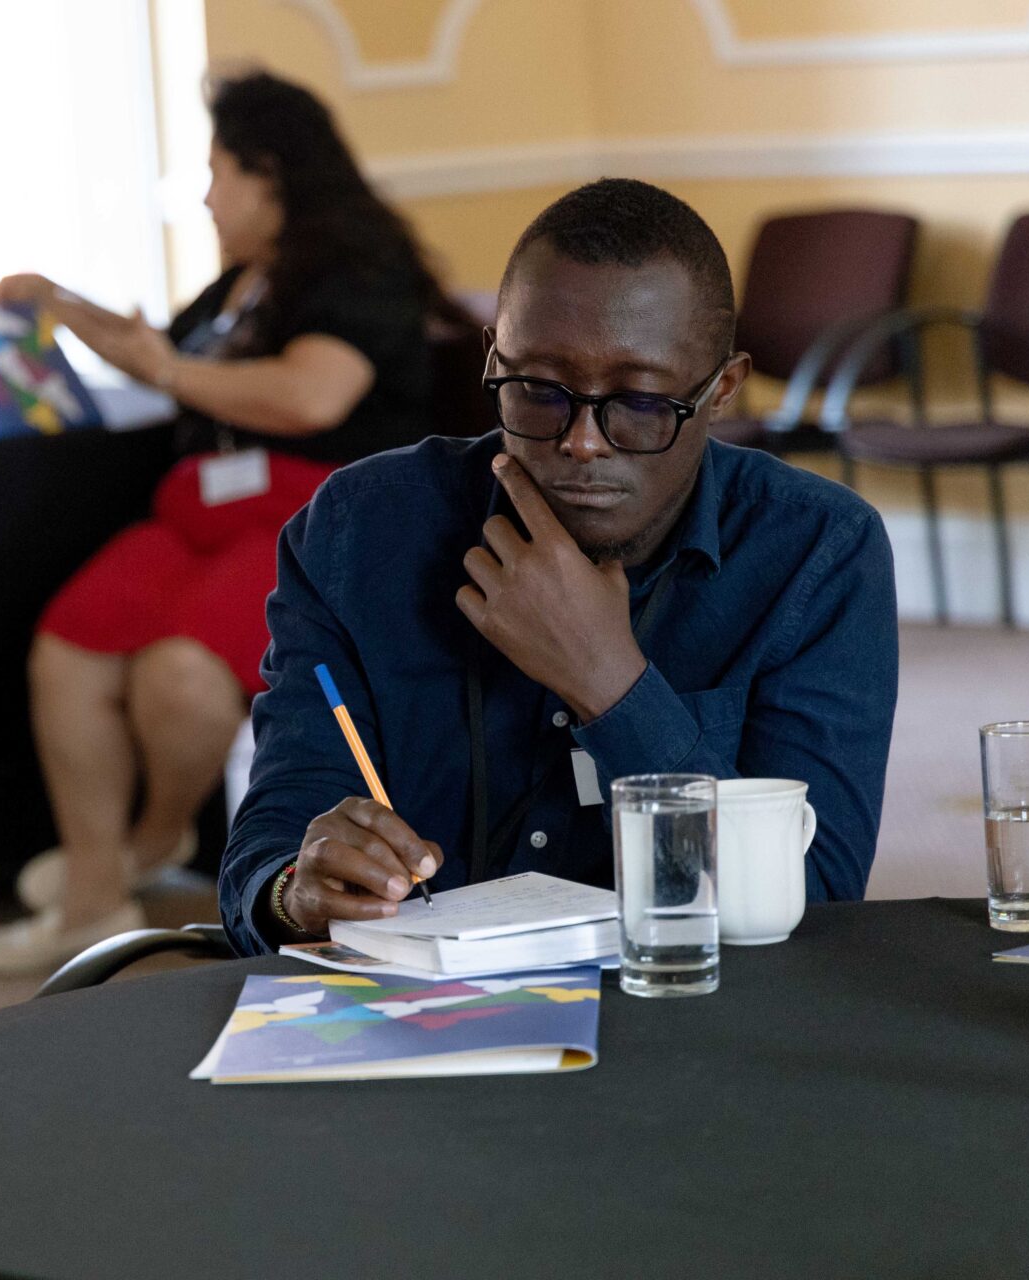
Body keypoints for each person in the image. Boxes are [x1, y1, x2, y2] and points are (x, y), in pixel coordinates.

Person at [218, 178, 900, 954]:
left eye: (640, 403)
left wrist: (610, 683)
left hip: (687, 1026)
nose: (581, 441)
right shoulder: (358, 531)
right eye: (539, 390)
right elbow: (267, 853)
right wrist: (294, 889)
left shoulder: (816, 553)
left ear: (721, 392)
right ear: (494, 359)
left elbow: (819, 908)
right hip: (425, 1027)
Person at [0, 71, 462, 973]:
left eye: (218, 170)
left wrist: (170, 373)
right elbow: (163, 354)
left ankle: (146, 849)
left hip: (314, 516)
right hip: (201, 514)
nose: (205, 194)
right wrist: (58, 304)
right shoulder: (242, 282)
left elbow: (312, 394)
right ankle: (93, 888)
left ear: (271, 173)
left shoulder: (359, 268)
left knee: (179, 676)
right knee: (68, 643)